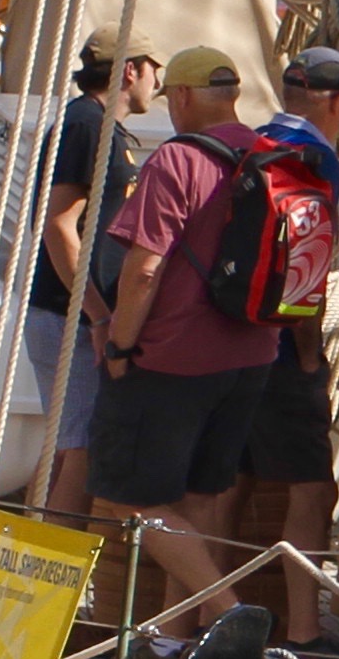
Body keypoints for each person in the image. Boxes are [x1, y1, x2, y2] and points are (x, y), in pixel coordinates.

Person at [86, 52, 284, 629]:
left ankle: (231, 615)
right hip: (252, 354)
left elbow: (143, 270)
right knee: (202, 496)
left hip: (172, 358)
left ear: (184, 96)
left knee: (131, 498)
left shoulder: (178, 159)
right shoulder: (272, 157)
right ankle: (177, 642)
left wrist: (120, 347)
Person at [243, 51, 339, 653]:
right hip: (285, 353)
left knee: (227, 487)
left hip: (232, 341)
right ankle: (304, 634)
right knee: (313, 492)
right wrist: (312, 357)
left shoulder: (250, 146)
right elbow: (306, 271)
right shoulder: (316, 162)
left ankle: (207, 622)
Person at [31, 30, 160, 526]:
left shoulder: (99, 127)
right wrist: (99, 316)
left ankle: (37, 548)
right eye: (154, 70)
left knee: (69, 447)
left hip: (72, 313)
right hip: (69, 316)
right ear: (130, 70)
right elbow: (60, 225)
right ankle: (53, 559)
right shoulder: (87, 125)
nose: (157, 83)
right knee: (83, 448)